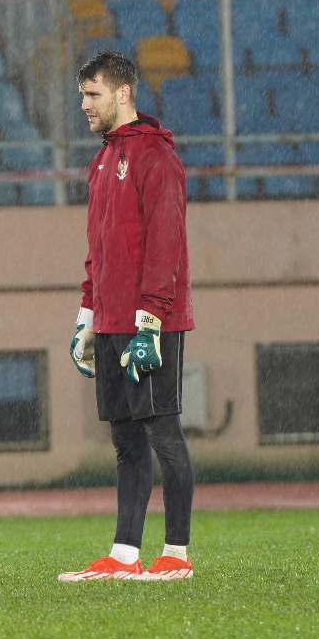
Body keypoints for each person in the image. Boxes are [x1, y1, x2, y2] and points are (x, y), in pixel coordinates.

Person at [59, 51, 196, 582]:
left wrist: (152, 321)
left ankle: (177, 555)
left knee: (164, 432)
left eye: (92, 94)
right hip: (112, 319)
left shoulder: (156, 157)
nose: (84, 105)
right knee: (125, 441)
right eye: (82, 95)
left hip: (148, 321)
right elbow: (98, 248)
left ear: (123, 94)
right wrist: (87, 314)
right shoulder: (101, 159)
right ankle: (124, 556)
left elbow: (167, 244)